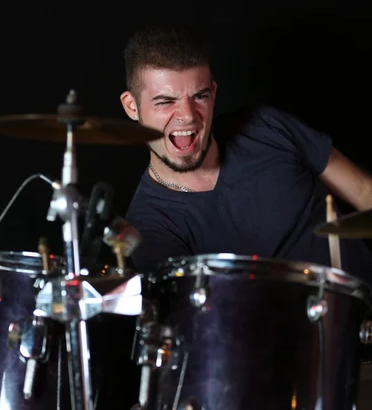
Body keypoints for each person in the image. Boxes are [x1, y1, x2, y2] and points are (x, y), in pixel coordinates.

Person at [120, 23, 372, 285]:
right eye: (165, 101)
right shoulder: (149, 225)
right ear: (132, 106)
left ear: (214, 94)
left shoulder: (266, 126)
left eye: (200, 96)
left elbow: (364, 191)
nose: (187, 115)